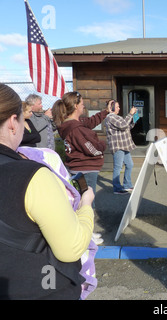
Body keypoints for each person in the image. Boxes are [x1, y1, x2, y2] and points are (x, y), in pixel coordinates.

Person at [0, 83, 94, 300]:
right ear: (14, 123)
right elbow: (71, 248)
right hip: (36, 288)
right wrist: (86, 205)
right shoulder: (32, 176)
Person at [52, 92, 109, 209]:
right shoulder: (76, 129)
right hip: (85, 170)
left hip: (79, 168)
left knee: (81, 200)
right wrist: (103, 145)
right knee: (87, 204)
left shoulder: (71, 124)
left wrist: (106, 111)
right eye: (82, 104)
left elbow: (90, 121)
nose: (84, 106)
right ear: (75, 106)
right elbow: (93, 149)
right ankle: (86, 226)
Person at [104, 100, 137, 195]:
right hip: (118, 145)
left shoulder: (117, 117)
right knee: (118, 167)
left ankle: (127, 185)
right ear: (112, 108)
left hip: (124, 145)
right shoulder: (110, 117)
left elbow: (126, 126)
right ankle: (117, 188)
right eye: (117, 106)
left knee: (130, 165)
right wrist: (130, 114)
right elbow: (123, 125)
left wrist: (133, 120)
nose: (119, 108)